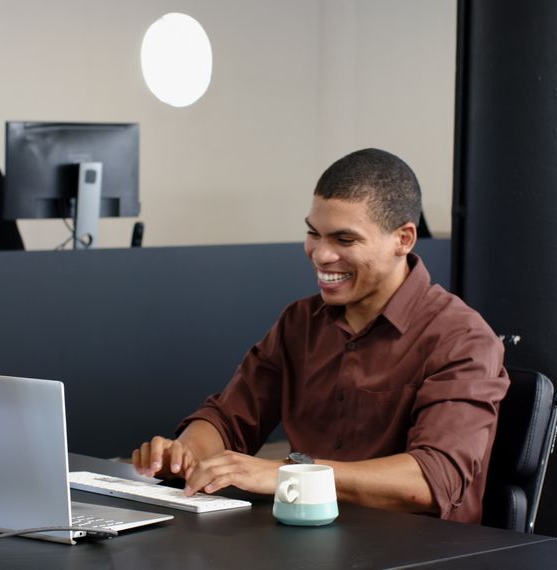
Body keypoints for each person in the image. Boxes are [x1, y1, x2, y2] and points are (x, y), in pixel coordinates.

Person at [131, 148, 509, 523]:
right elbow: (229, 418)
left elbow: (433, 480)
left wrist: (288, 473)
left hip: (418, 554)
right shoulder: (300, 321)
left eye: (345, 240)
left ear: (404, 239)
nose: (321, 254)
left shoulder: (463, 338)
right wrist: (186, 453)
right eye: (314, 233)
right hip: (307, 544)